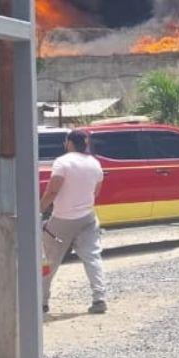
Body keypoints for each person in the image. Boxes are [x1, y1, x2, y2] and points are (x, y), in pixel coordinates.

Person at [40, 129, 106, 315]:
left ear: (69, 142)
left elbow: (53, 190)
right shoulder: (95, 163)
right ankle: (99, 298)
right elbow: (96, 191)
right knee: (92, 257)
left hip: (62, 220)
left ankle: (42, 302)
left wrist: (39, 209)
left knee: (49, 261)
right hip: (87, 218)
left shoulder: (63, 162)